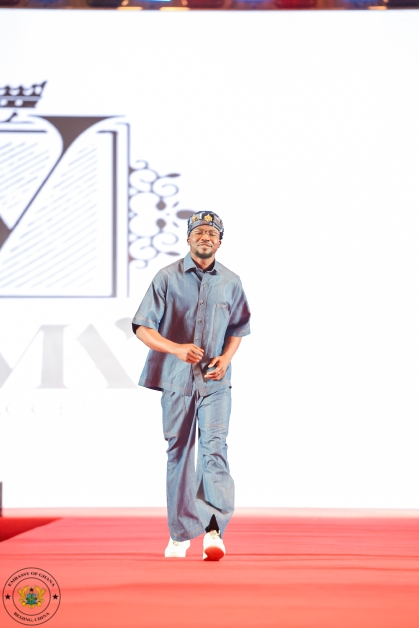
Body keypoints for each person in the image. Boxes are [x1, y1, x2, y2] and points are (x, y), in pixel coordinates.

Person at [132, 211, 250, 561]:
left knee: (214, 450)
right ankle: (180, 533)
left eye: (212, 233)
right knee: (179, 453)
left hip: (215, 383)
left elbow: (238, 328)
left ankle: (213, 530)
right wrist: (175, 349)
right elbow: (142, 327)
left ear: (220, 242)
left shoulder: (231, 281)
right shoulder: (166, 277)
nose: (205, 237)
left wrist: (226, 359)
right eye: (198, 232)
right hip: (176, 381)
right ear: (187, 239)